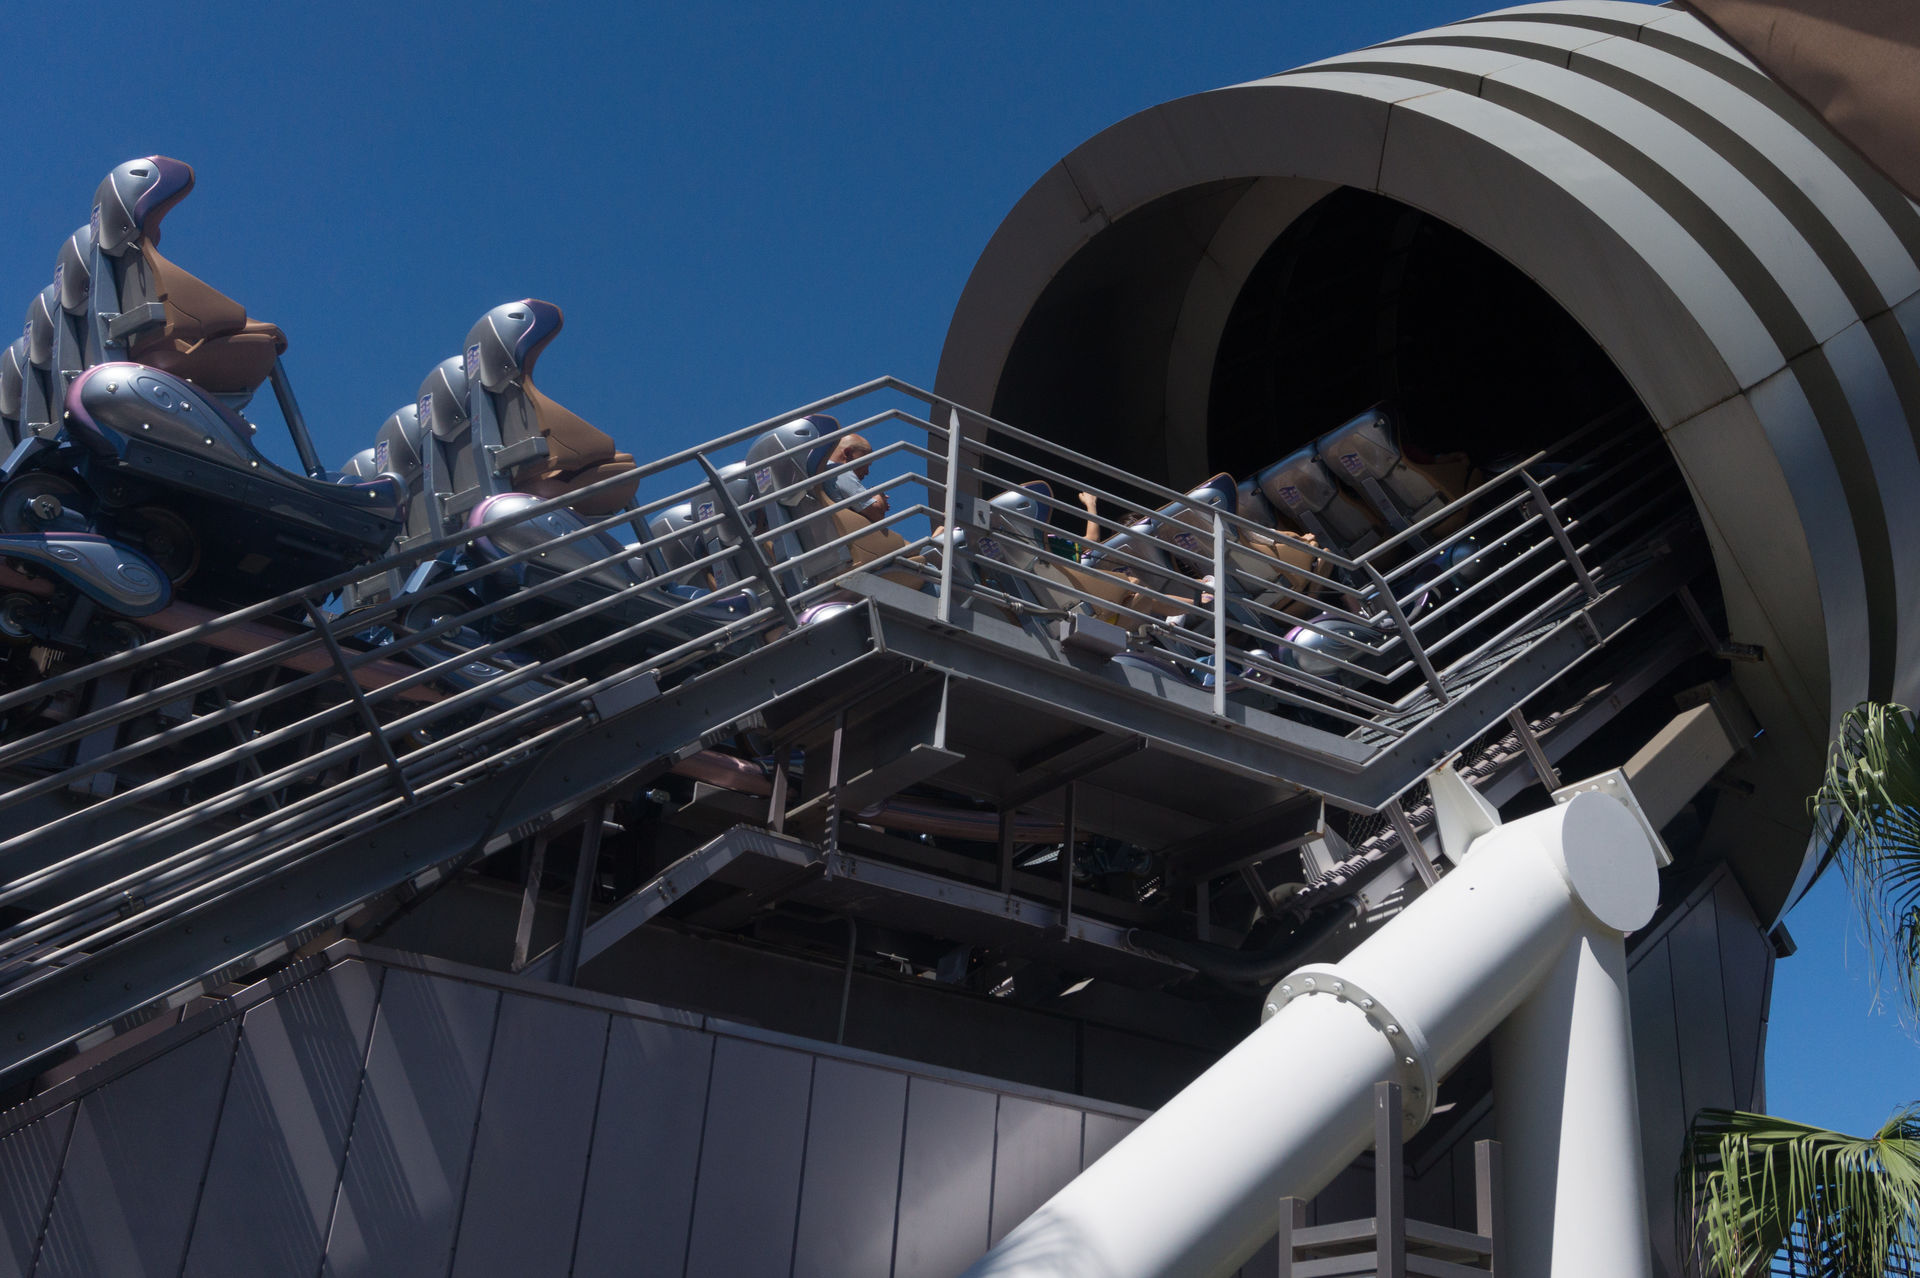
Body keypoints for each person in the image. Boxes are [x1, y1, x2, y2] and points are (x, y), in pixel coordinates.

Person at [825, 433, 889, 522]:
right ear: (847, 453)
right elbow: (876, 513)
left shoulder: (822, 468)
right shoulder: (840, 471)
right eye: (865, 464)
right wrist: (878, 495)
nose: (867, 472)